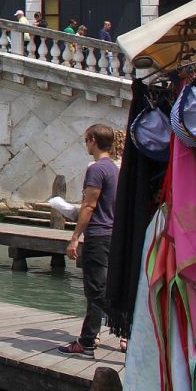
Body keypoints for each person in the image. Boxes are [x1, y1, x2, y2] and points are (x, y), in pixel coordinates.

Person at [58, 124, 120, 358]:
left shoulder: (96, 169)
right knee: (101, 289)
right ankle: (95, 337)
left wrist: (75, 237)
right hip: (112, 234)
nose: (86, 144)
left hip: (98, 235)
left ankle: (87, 343)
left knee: (96, 291)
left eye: (86, 140)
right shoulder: (114, 169)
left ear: (93, 140)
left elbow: (89, 205)